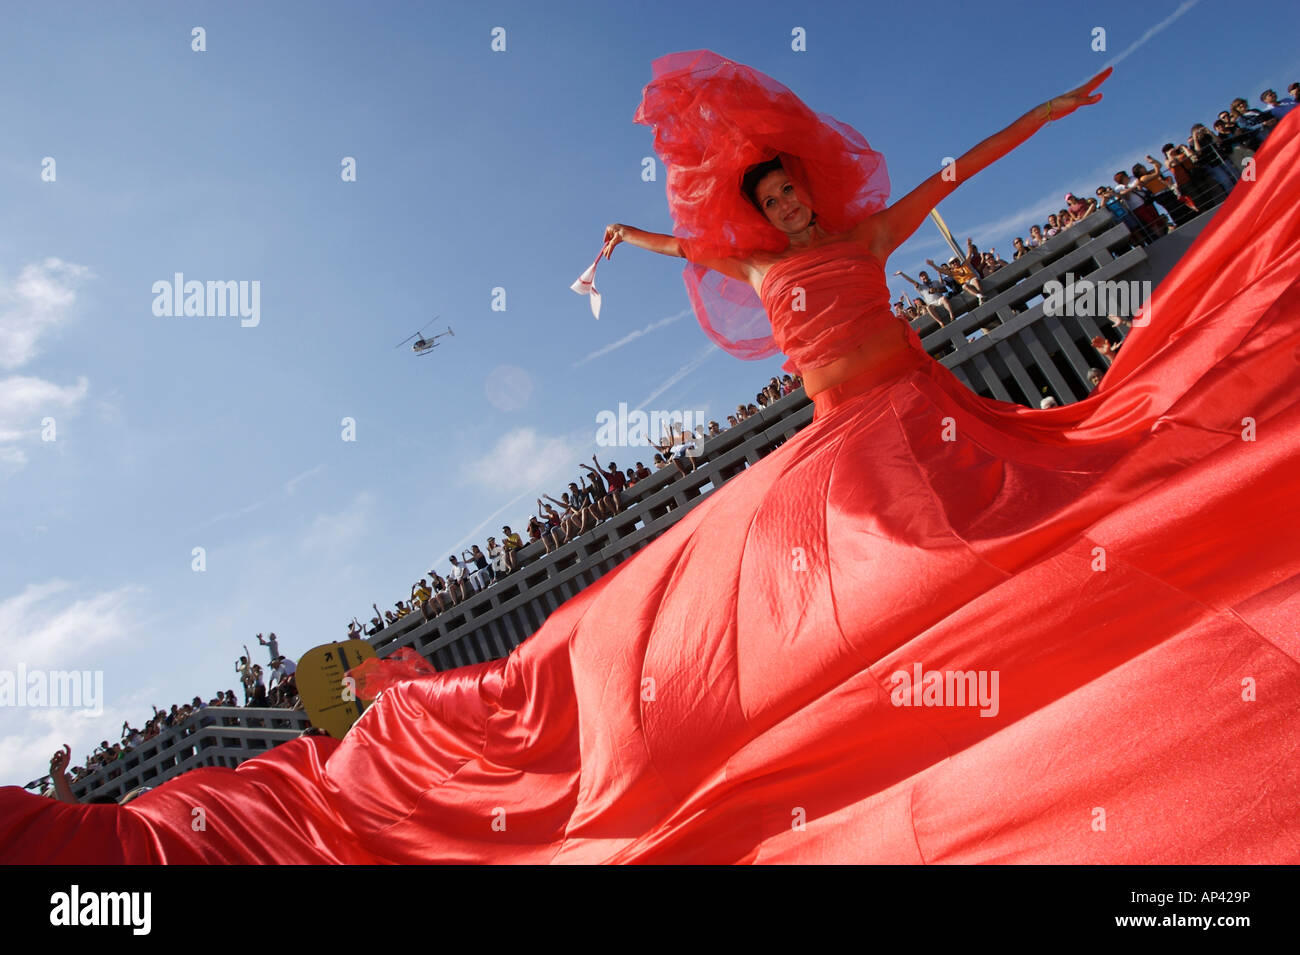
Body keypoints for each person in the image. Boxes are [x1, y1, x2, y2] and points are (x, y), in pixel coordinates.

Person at [7, 52, 1300, 865]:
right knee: (827, 623)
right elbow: (675, 246)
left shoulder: (864, 230)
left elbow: (963, 164)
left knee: (984, 567)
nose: (793, 212)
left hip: (909, 412)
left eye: (802, 197)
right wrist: (616, 245)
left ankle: (1034, 650)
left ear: (817, 192)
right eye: (776, 202)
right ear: (762, 209)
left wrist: (1058, 106)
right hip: (844, 442)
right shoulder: (751, 257)